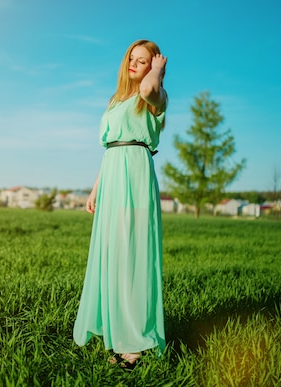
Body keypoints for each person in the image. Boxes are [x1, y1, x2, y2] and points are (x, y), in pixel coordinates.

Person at [73, 39, 167, 370]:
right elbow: (111, 147)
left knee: (132, 257)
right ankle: (116, 330)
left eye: (142, 61)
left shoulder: (153, 96)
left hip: (136, 177)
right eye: (132, 58)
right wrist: (95, 190)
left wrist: (156, 72)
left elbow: (149, 90)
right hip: (112, 174)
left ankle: (135, 343)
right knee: (113, 255)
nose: (134, 64)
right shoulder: (116, 101)